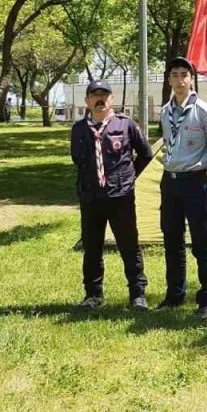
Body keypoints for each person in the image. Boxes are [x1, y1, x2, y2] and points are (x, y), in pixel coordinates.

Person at [69, 79, 153, 310]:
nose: (100, 100)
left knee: (129, 245)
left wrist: (128, 178)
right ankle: (93, 295)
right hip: (90, 198)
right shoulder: (79, 130)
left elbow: (145, 154)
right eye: (94, 96)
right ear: (87, 101)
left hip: (120, 197)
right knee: (92, 247)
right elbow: (78, 160)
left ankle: (137, 294)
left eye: (104, 96)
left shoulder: (125, 125)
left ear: (112, 99)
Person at [156, 57, 207, 319]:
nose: (179, 80)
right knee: (172, 240)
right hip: (169, 181)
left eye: (184, 74)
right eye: (174, 75)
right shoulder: (164, 111)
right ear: (169, 79)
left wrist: (197, 169)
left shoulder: (205, 111)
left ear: (191, 78)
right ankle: (175, 294)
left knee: (201, 241)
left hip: (195, 181)